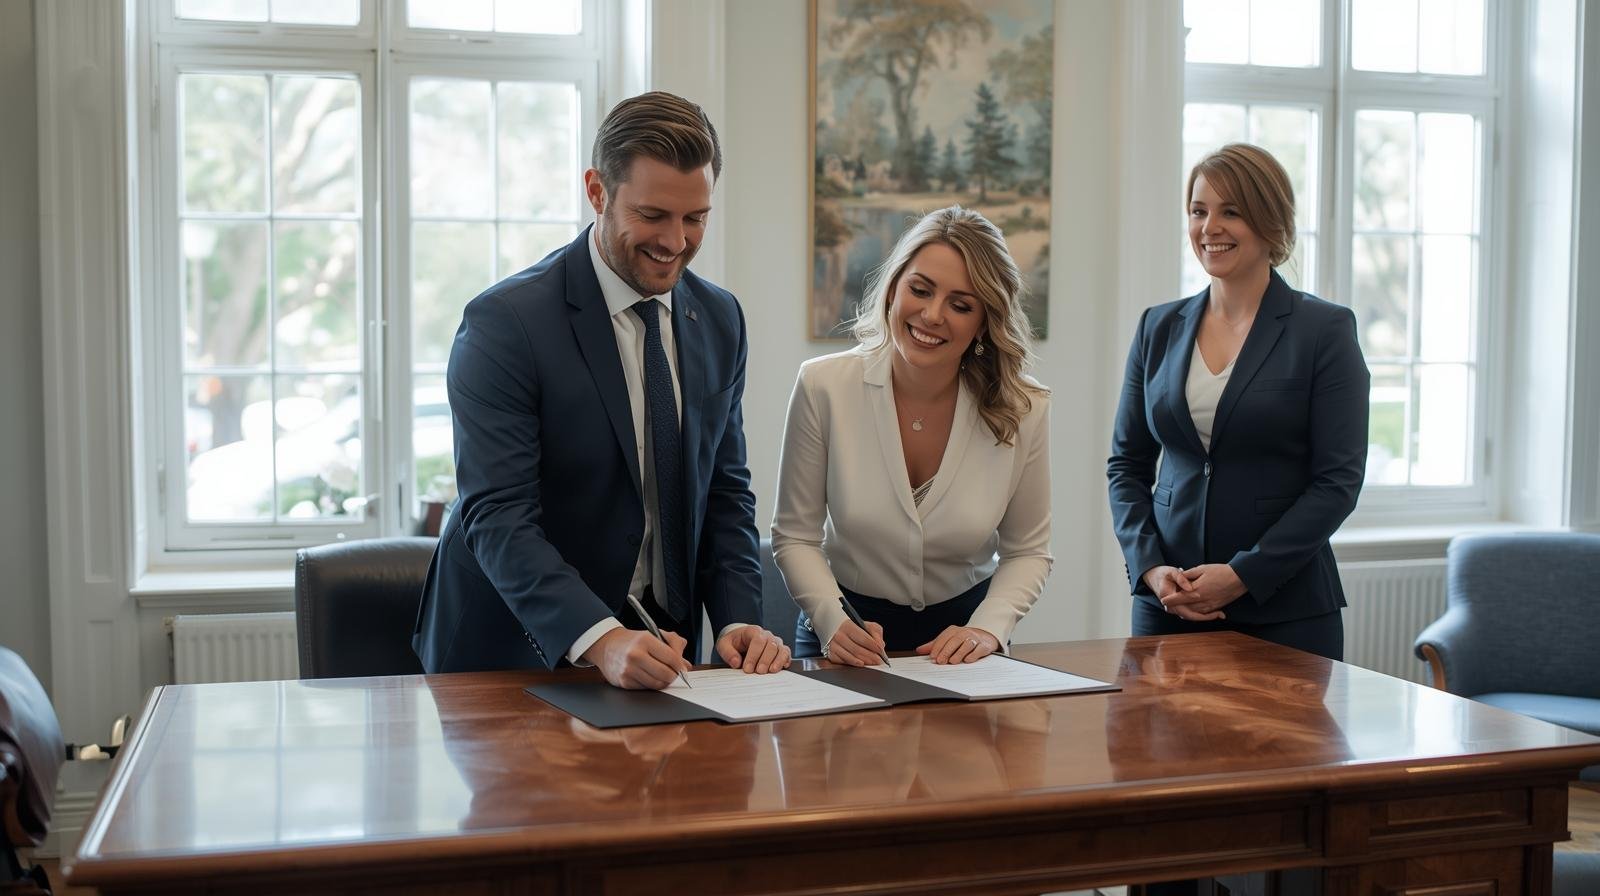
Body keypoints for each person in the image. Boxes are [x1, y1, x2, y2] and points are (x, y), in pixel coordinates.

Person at [412, 91, 790, 688]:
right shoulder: (506, 324)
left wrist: (738, 619)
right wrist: (601, 637)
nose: (675, 242)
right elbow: (498, 515)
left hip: (666, 650)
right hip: (513, 652)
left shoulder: (720, 319)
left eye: (695, 218)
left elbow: (724, 488)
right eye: (653, 215)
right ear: (597, 191)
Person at [1107, 143, 1369, 664]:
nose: (1210, 228)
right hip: (1169, 606)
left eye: (1232, 211)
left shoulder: (1324, 330)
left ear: (1270, 221)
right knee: (1151, 748)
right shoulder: (1157, 327)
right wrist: (1151, 568)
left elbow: (1337, 481)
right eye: (1199, 211)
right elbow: (1126, 466)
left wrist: (1244, 575)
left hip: (1284, 610)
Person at [772, 206, 1052, 665]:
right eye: (920, 290)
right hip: (845, 633)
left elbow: (1028, 551)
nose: (932, 315)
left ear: (984, 320)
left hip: (965, 643)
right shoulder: (823, 386)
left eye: (961, 305)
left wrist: (988, 628)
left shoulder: (1025, 408)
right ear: (893, 289)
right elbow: (795, 537)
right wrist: (831, 619)